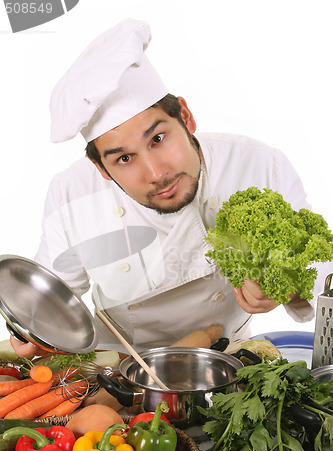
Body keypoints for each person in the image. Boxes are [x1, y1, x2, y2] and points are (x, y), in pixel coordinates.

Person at [10, 18, 332, 358]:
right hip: (121, 370)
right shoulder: (71, 196)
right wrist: (34, 332)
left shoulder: (258, 164)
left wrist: (286, 288)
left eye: (158, 139)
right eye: (123, 159)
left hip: (230, 356)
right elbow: (55, 300)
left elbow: (321, 268)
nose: (155, 173)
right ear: (100, 168)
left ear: (187, 118)